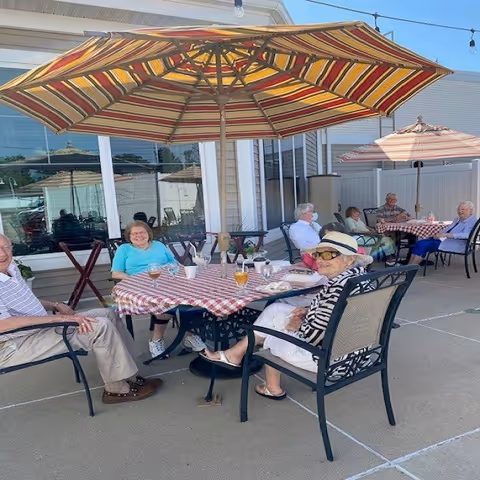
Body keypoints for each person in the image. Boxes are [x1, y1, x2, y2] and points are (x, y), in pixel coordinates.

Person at [201, 232, 372, 399]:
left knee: (272, 332)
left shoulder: (339, 288)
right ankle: (235, 354)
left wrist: (298, 324)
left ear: (349, 259)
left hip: (331, 361)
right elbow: (333, 314)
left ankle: (271, 387)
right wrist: (307, 310)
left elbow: (314, 336)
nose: (319, 260)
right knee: (276, 309)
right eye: (318, 255)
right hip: (356, 354)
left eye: (328, 254)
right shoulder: (356, 278)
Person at [0, 234, 160, 404]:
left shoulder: (10, 268)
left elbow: (25, 301)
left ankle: (130, 375)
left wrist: (56, 305)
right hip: (15, 343)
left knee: (108, 314)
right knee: (100, 327)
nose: (3, 253)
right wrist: (60, 319)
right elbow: (4, 324)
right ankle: (116, 389)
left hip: (40, 327)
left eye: (5, 247)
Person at [111, 220, 206, 357]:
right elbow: (116, 273)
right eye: (135, 233)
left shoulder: (159, 245)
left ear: (148, 233)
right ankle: (156, 340)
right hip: (141, 285)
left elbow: (174, 264)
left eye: (142, 232)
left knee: (192, 298)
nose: (139, 236)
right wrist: (134, 280)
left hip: (167, 281)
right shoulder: (124, 249)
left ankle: (190, 337)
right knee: (164, 304)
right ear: (129, 236)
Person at [409, 201, 477, 265]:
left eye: (463, 209)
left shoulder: (472, 221)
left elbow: (468, 235)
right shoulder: (457, 219)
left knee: (423, 244)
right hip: (445, 240)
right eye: (458, 209)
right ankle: (409, 266)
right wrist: (439, 234)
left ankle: (410, 269)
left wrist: (448, 235)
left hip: (457, 243)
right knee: (419, 243)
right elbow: (447, 229)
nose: (459, 211)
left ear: (470, 211)